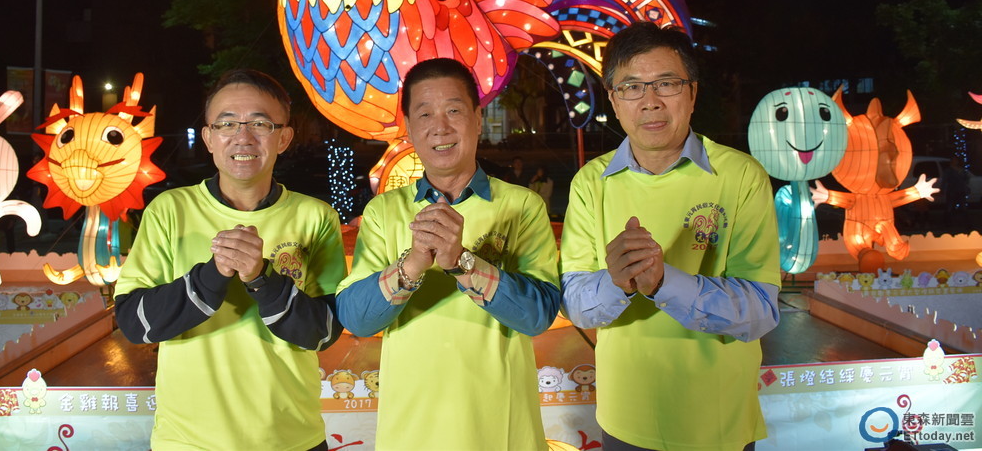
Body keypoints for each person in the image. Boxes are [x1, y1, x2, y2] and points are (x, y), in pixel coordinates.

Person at [559, 23, 780, 451]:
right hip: (625, 416)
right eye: (632, 87)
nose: (650, 101)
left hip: (718, 419)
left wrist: (664, 283)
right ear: (613, 101)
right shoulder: (590, 183)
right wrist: (618, 282)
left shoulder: (741, 176)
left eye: (666, 83)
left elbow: (761, 310)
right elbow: (575, 304)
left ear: (692, 94)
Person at [114, 69, 345, 451]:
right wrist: (212, 276)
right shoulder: (169, 210)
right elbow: (134, 323)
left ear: (284, 137)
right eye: (226, 123)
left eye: (260, 123)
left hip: (291, 438)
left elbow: (324, 332)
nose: (243, 136)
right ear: (208, 137)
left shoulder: (315, 217)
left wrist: (261, 278)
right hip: (188, 442)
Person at [336, 58, 560, 450]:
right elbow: (357, 319)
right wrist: (412, 265)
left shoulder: (522, 205)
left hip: (502, 429)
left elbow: (537, 316)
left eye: (454, 111)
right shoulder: (384, 211)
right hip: (412, 431)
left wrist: (462, 263)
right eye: (425, 114)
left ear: (478, 119)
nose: (440, 127)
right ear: (409, 128)